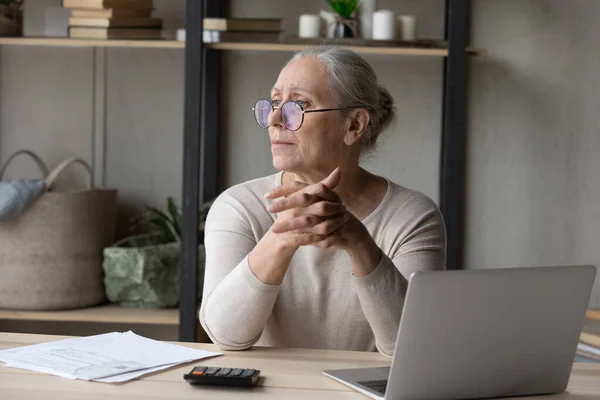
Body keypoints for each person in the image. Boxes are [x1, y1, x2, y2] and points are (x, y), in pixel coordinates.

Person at [199, 46, 446, 357]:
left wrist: (359, 243)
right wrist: (280, 239)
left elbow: (411, 348)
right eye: (275, 102)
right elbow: (226, 335)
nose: (275, 119)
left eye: (298, 105)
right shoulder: (238, 206)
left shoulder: (412, 216)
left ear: (354, 125)